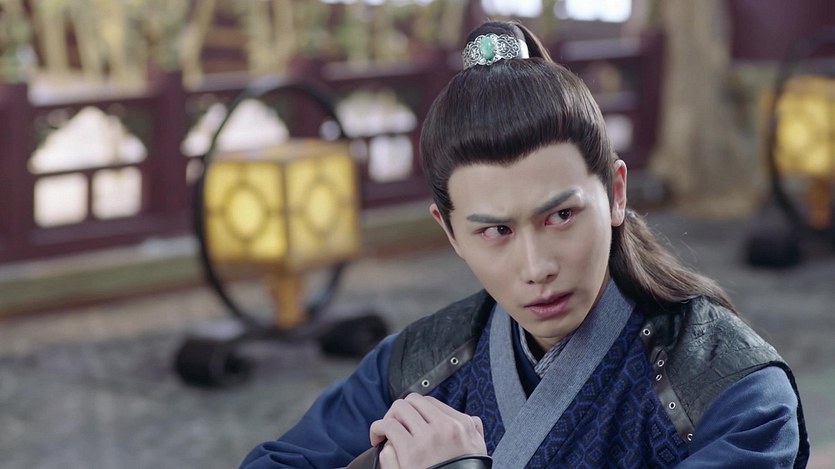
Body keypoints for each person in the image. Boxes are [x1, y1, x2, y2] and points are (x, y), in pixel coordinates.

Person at [241, 20, 810, 468]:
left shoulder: (732, 390)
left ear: (615, 193)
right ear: (450, 232)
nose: (536, 267)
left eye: (560, 215)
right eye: (496, 231)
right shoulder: (420, 363)